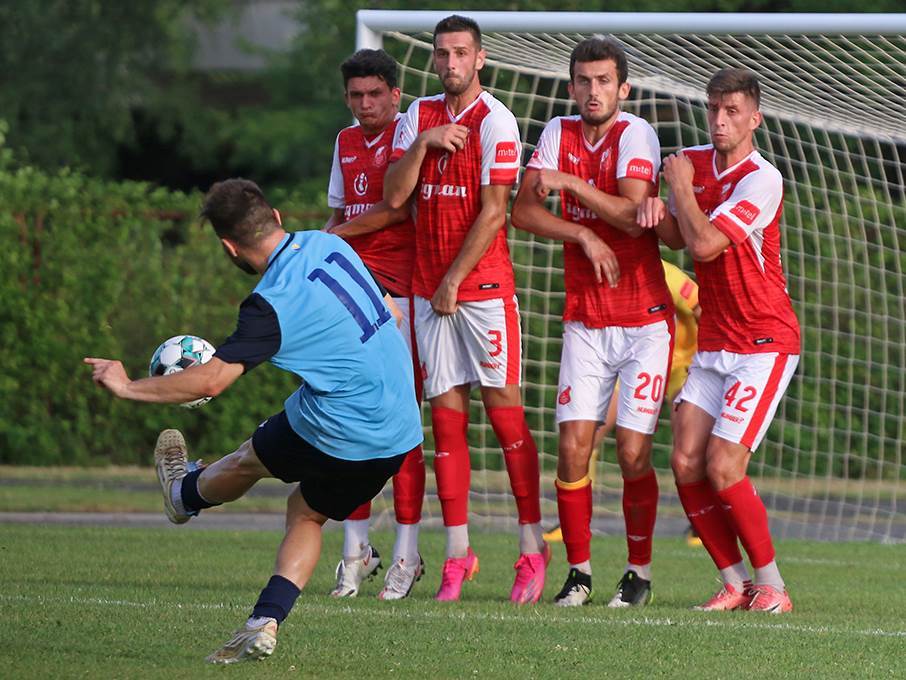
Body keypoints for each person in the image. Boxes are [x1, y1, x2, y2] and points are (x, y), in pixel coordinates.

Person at [84, 179, 424, 663]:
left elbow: (211, 380)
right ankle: (263, 621)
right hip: (400, 427)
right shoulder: (329, 244)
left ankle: (183, 495)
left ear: (229, 247)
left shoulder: (269, 304)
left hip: (345, 419)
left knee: (251, 458)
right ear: (277, 217)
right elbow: (391, 312)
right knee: (306, 511)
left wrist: (126, 386)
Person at [511, 37, 682, 608]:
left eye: (604, 80)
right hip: (585, 319)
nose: (593, 90)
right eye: (584, 80)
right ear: (571, 86)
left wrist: (574, 186)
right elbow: (523, 211)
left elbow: (634, 218)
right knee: (572, 449)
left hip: (644, 321)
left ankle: (638, 573)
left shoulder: (636, 133)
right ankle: (579, 574)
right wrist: (581, 232)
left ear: (622, 88)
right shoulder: (556, 133)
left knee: (632, 451)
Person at [383, 14, 546, 604]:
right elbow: (394, 197)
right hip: (429, 294)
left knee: (507, 422)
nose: (450, 63)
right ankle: (458, 555)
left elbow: (495, 211)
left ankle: (532, 548)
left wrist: (453, 278)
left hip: (482, 295)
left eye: (461, 53)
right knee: (446, 428)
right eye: (442, 53)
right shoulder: (417, 116)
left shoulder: (496, 120)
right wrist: (422, 145)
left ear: (480, 59)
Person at [636, 68, 800, 613]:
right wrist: (657, 213)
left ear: (755, 119)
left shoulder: (762, 179)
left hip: (764, 341)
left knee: (724, 465)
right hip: (714, 343)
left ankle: (773, 586)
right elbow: (679, 236)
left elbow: (705, 246)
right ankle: (735, 583)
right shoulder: (695, 162)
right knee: (685, 461)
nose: (721, 120)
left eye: (732, 111)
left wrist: (679, 188)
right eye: (714, 109)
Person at [323, 48, 426, 601]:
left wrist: (330, 239)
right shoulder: (343, 141)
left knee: (404, 424)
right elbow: (340, 214)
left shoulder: (409, 134)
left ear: (395, 94)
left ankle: (408, 554)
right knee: (347, 419)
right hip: (354, 293)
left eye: (375, 94)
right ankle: (355, 550)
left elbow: (396, 208)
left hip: (402, 295)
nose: (365, 104)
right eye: (356, 95)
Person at [541, 259, 703, 547]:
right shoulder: (603, 272)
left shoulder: (668, 275)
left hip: (684, 365)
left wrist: (711, 361)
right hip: (634, 363)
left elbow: (702, 308)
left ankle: (701, 522)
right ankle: (574, 520)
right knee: (588, 432)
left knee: (689, 444)